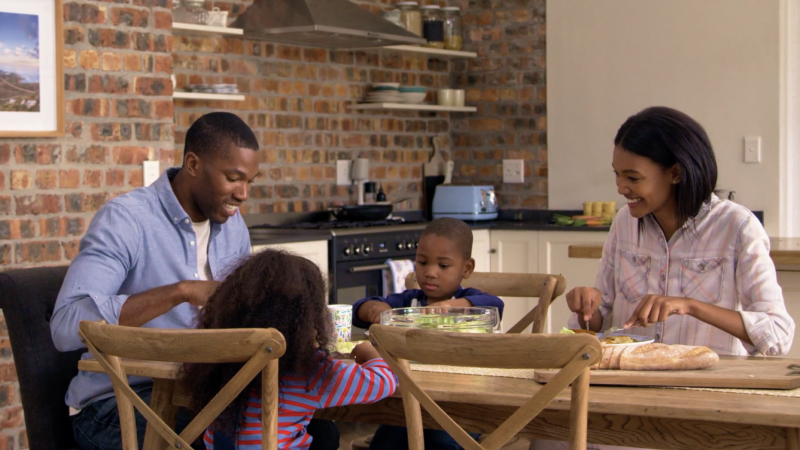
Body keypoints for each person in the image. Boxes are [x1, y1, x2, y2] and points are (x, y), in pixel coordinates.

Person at [48, 112, 331, 450]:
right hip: (117, 402)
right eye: (233, 178)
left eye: (250, 182)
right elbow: (65, 327)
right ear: (193, 164)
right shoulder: (126, 220)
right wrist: (179, 292)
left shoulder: (233, 226)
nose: (243, 194)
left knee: (321, 435)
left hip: (197, 393)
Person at [534, 106, 796, 450]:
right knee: (545, 437)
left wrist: (690, 306)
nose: (620, 188)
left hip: (707, 400)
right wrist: (589, 307)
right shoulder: (624, 225)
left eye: (633, 177)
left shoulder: (737, 227)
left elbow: (777, 335)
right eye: (617, 175)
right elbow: (601, 321)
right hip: (624, 396)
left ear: (675, 173)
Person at [183, 249, 398, 449]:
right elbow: (384, 383)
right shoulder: (311, 372)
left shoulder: (212, 361)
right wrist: (370, 352)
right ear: (306, 319)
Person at [351, 217, 504, 450]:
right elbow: (359, 308)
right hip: (408, 399)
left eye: (443, 266)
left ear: (467, 268)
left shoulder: (470, 300)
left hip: (461, 405)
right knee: (385, 442)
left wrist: (454, 307)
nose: (430, 273)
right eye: (422, 263)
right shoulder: (409, 301)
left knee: (441, 442)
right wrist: (374, 309)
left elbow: (494, 304)